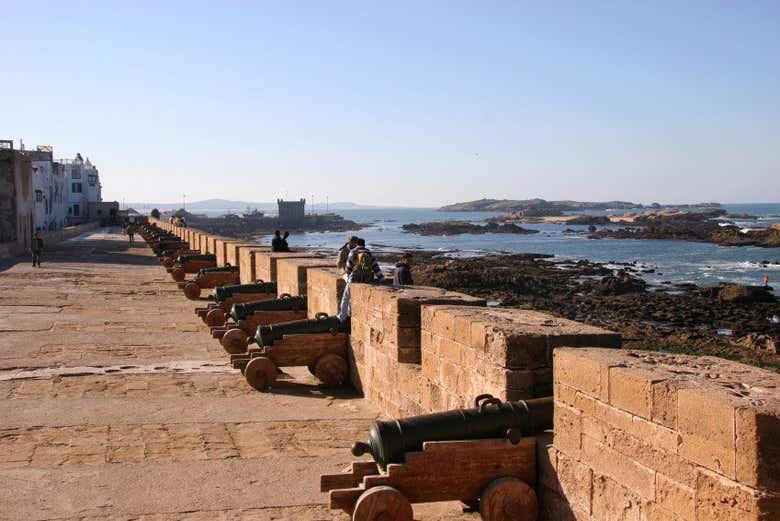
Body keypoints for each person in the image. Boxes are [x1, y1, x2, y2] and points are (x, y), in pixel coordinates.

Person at [337, 238, 384, 322]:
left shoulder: (353, 252)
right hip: (367, 279)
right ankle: (350, 313)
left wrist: (348, 276)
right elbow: (375, 267)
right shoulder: (368, 252)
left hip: (354, 279)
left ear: (357, 244)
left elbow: (348, 267)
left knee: (346, 297)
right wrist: (382, 279)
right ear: (364, 244)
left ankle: (342, 316)